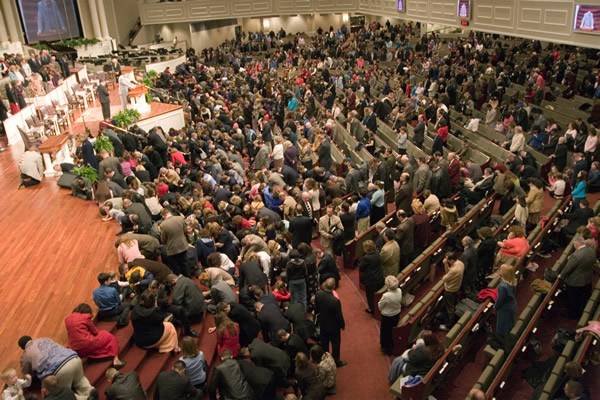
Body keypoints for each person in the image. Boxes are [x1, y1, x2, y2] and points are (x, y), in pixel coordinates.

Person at [18, 336, 94, 399]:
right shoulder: (45, 339)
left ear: (23, 348)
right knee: (80, 380)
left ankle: (85, 399)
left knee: (65, 395)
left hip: (60, 370)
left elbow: (26, 372)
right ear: (31, 339)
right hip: (74, 358)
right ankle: (91, 392)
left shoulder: (26, 354)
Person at [64, 303, 126, 369]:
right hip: (87, 344)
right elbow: (95, 332)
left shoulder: (67, 320)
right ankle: (116, 359)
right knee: (108, 336)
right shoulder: (86, 317)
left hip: (76, 349)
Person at [559, 235, 596, 319]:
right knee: (583, 298)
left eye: (574, 244)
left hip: (575, 282)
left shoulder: (576, 256)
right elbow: (593, 261)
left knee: (573, 300)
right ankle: (583, 313)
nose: (574, 246)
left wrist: (561, 276)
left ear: (577, 243)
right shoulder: (591, 250)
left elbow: (567, 269)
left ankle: (573, 315)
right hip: (587, 279)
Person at [315, 278, 346, 367]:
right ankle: (336, 361)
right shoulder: (335, 301)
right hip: (334, 327)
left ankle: (326, 361)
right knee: (335, 344)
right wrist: (342, 325)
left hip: (323, 324)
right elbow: (339, 316)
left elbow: (317, 309)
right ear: (334, 287)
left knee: (324, 344)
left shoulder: (318, 294)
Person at [378, 276, 403, 355]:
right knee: (392, 330)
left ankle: (386, 348)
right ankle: (391, 346)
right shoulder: (399, 290)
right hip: (396, 314)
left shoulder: (386, 296)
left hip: (387, 316)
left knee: (385, 332)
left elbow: (380, 306)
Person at [494, 264, 517, 347]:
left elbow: (500, 300)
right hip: (512, 305)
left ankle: (505, 344)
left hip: (505, 309)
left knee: (503, 328)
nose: (499, 270)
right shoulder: (513, 280)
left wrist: (495, 307)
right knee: (510, 324)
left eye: (500, 270)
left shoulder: (502, 286)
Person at [358, 240, 384, 314]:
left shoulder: (366, 258)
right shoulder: (377, 253)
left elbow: (361, 268)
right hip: (379, 276)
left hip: (371, 280)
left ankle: (372, 309)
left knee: (370, 296)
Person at [440, 252, 464, 329]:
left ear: (452, 260)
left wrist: (445, 264)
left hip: (450, 290)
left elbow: (444, 278)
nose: (446, 261)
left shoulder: (454, 270)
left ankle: (449, 325)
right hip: (456, 287)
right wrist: (446, 264)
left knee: (450, 308)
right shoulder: (460, 263)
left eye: (447, 260)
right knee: (449, 305)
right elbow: (449, 272)